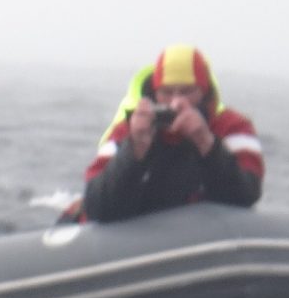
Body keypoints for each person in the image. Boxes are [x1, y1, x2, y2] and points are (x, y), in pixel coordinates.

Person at [79, 44, 264, 224]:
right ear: (154, 92)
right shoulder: (128, 130)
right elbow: (97, 206)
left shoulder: (232, 127)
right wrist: (135, 150)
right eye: (166, 92)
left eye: (187, 91)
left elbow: (247, 195)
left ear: (204, 91)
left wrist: (206, 143)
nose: (176, 102)